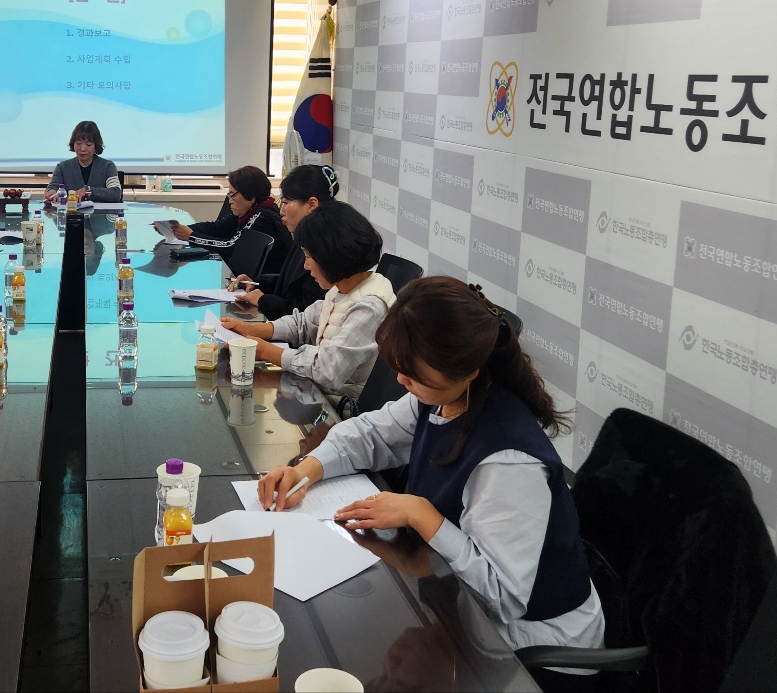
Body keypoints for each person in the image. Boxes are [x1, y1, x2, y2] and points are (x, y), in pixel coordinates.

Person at [256, 276, 604, 661]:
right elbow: (372, 434)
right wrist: (307, 469)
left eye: (414, 374)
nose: (401, 381)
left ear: (467, 371)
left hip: (531, 640)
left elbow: (503, 596)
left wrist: (422, 515)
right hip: (452, 598)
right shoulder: (444, 395)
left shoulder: (508, 461)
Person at [219, 200, 393, 395]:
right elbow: (302, 323)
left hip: (337, 406)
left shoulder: (369, 307)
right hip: (315, 392)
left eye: (309, 256)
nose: (305, 266)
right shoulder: (343, 288)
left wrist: (266, 352)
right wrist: (250, 329)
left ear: (332, 255)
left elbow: (327, 369)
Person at [229, 164, 338, 319]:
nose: (281, 211)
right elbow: (289, 285)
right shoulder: (305, 235)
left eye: (286, 203)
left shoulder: (327, 247)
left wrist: (263, 300)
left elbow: (309, 313)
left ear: (311, 205)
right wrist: (255, 283)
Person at [167, 165, 290, 276]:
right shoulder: (249, 211)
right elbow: (216, 228)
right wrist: (178, 229)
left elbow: (232, 246)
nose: (229, 200)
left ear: (251, 197)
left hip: (265, 284)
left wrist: (192, 237)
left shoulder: (263, 217)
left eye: (232, 195)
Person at [44, 120, 122, 203]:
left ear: (96, 145)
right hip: (71, 211)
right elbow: (52, 187)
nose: (82, 149)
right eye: (78, 143)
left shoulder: (107, 166)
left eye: (88, 144)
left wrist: (88, 191)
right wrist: (51, 192)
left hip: (100, 211)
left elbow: (116, 193)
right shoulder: (62, 167)